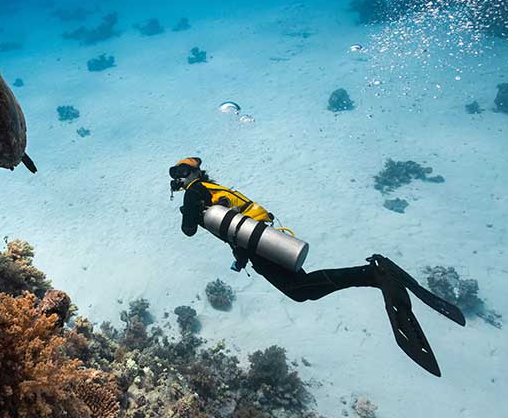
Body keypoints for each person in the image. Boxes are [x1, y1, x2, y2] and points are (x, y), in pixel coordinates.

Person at [169, 156, 465, 376]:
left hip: (260, 245)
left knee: (300, 290)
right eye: (176, 173)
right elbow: (234, 226)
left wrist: (187, 209)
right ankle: (374, 275)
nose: (180, 177)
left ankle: (374, 274)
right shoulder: (210, 187)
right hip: (262, 239)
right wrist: (240, 258)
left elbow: (188, 230)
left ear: (195, 172)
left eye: (183, 171)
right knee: (303, 288)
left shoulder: (195, 192)